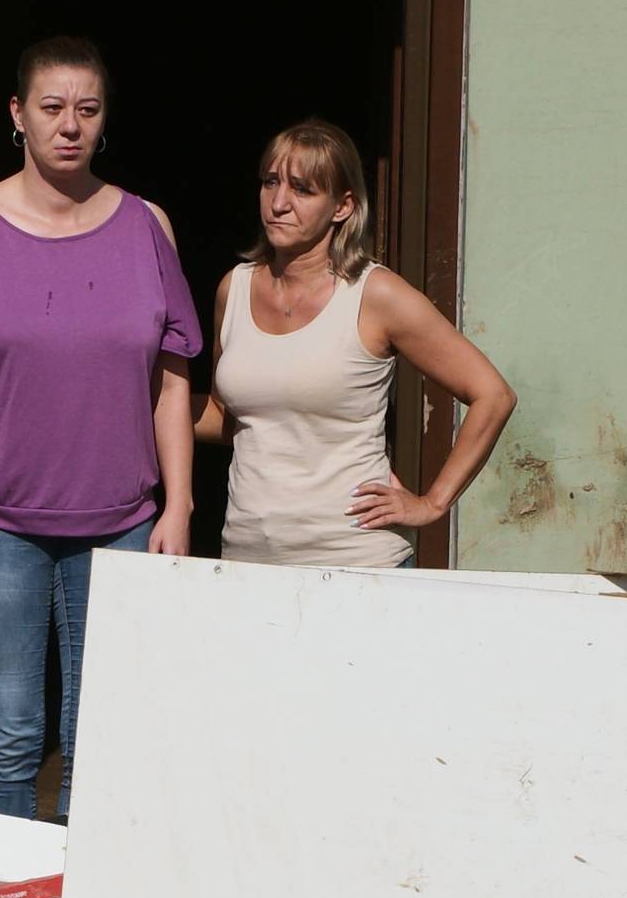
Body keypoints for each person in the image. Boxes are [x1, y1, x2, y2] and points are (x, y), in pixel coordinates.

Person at [0, 35, 200, 818]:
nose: (70, 125)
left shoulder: (146, 227)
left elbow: (173, 380)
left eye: (87, 109)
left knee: (100, 739)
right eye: (53, 107)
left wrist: (179, 506)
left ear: (105, 122)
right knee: (7, 739)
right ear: (19, 115)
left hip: (124, 524)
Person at [200, 119, 514, 567]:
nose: (279, 203)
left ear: (342, 206)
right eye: (271, 182)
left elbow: (493, 394)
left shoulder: (375, 295)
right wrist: (128, 404)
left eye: (303, 189)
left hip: (357, 561)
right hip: (250, 559)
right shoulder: (234, 289)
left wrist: (432, 503)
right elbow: (225, 415)